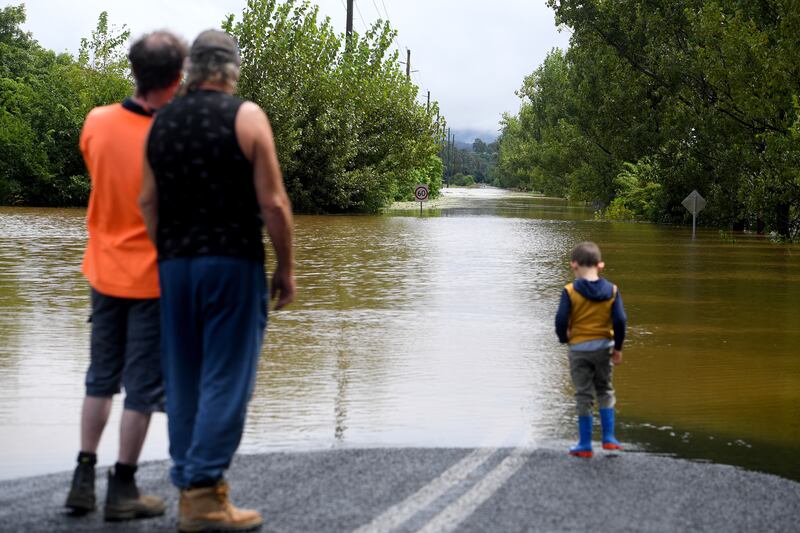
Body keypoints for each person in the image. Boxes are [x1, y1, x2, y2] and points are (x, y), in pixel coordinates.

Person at [140, 29, 296, 532]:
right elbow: (273, 203)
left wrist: (168, 253)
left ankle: (191, 486)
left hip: (175, 267)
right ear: (231, 70)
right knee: (227, 377)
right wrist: (286, 266)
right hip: (231, 263)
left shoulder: (161, 123)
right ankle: (205, 492)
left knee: (182, 378)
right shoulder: (246, 116)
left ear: (190, 70)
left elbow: (147, 202)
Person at [66, 31, 187, 520]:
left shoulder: (96, 121)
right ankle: (123, 490)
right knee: (141, 389)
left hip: (101, 268)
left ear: (134, 71)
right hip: (152, 279)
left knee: (99, 379)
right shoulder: (174, 134)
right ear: (177, 79)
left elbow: (98, 170)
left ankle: (81, 478)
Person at [555, 241, 627, 458]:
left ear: (574, 265)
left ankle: (585, 444)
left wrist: (563, 338)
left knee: (583, 394)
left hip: (578, 349)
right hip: (604, 348)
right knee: (605, 390)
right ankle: (609, 439)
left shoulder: (569, 291)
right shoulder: (613, 291)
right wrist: (618, 348)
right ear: (600, 265)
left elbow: (560, 319)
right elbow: (620, 321)